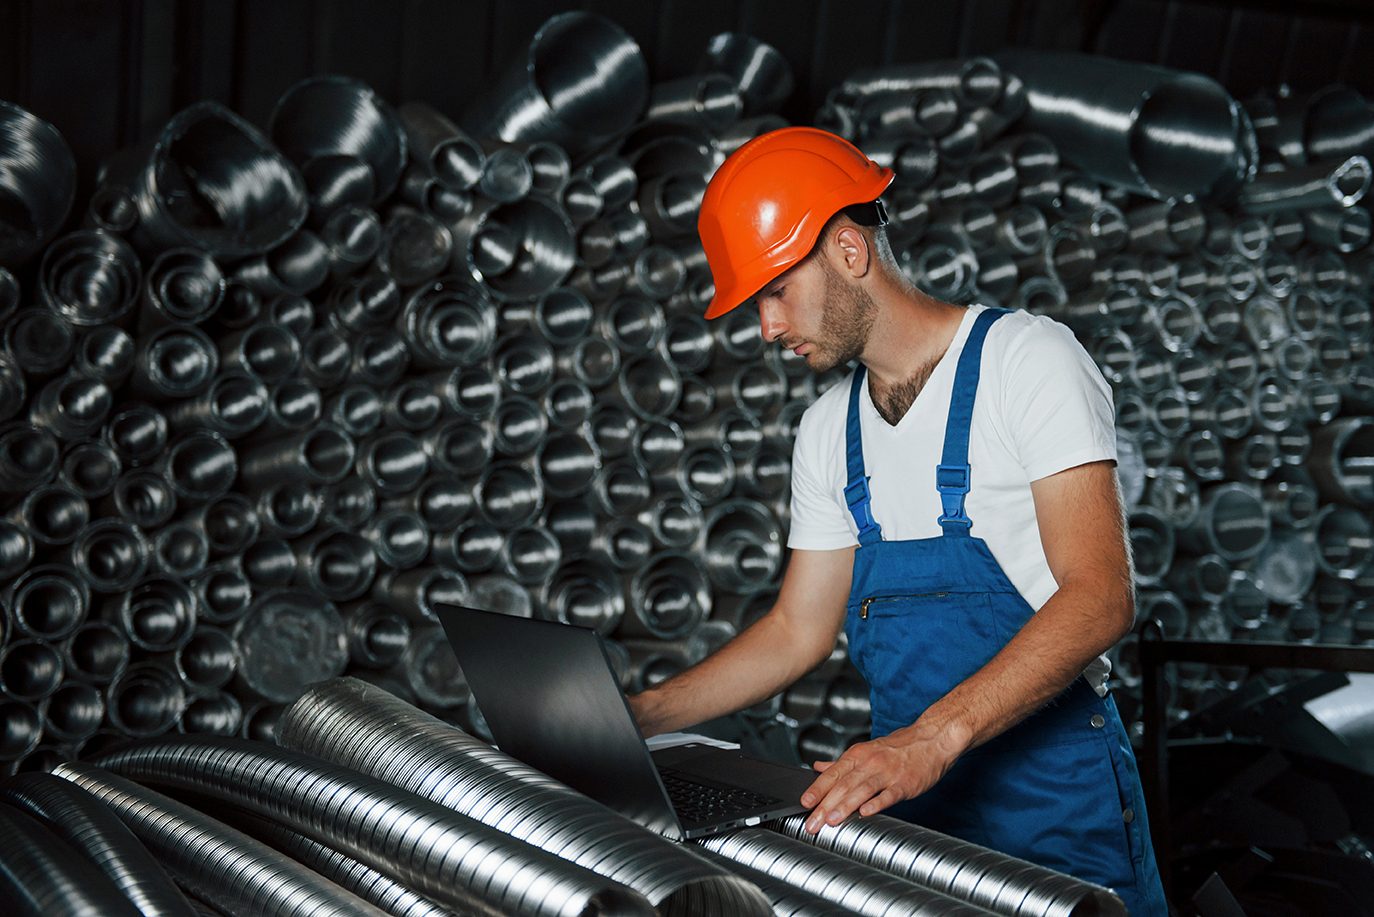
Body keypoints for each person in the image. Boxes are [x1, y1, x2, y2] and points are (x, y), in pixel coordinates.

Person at [628, 127, 1168, 914]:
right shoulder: (826, 431)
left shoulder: (1026, 361)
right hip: (914, 815)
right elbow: (794, 632)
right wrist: (636, 717)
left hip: (1056, 803)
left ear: (849, 251)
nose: (766, 329)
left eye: (774, 292)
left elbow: (1100, 596)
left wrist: (931, 738)